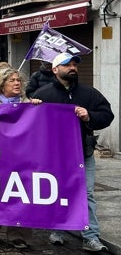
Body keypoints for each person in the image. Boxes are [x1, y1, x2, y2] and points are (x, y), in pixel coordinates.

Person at [33, 53, 114, 252]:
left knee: (86, 194)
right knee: (57, 192)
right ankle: (58, 229)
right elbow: (32, 126)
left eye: (75, 64)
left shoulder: (89, 94)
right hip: (53, 156)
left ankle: (91, 236)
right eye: (67, 65)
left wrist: (89, 116)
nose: (73, 68)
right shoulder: (42, 94)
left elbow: (107, 115)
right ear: (55, 70)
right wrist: (32, 108)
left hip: (82, 154)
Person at [0, 68, 41, 250]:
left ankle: (19, 235)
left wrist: (36, 107)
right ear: (2, 85)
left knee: (22, 194)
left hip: (23, 158)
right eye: (12, 80)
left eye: (18, 80)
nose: (16, 83)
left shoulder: (27, 103)